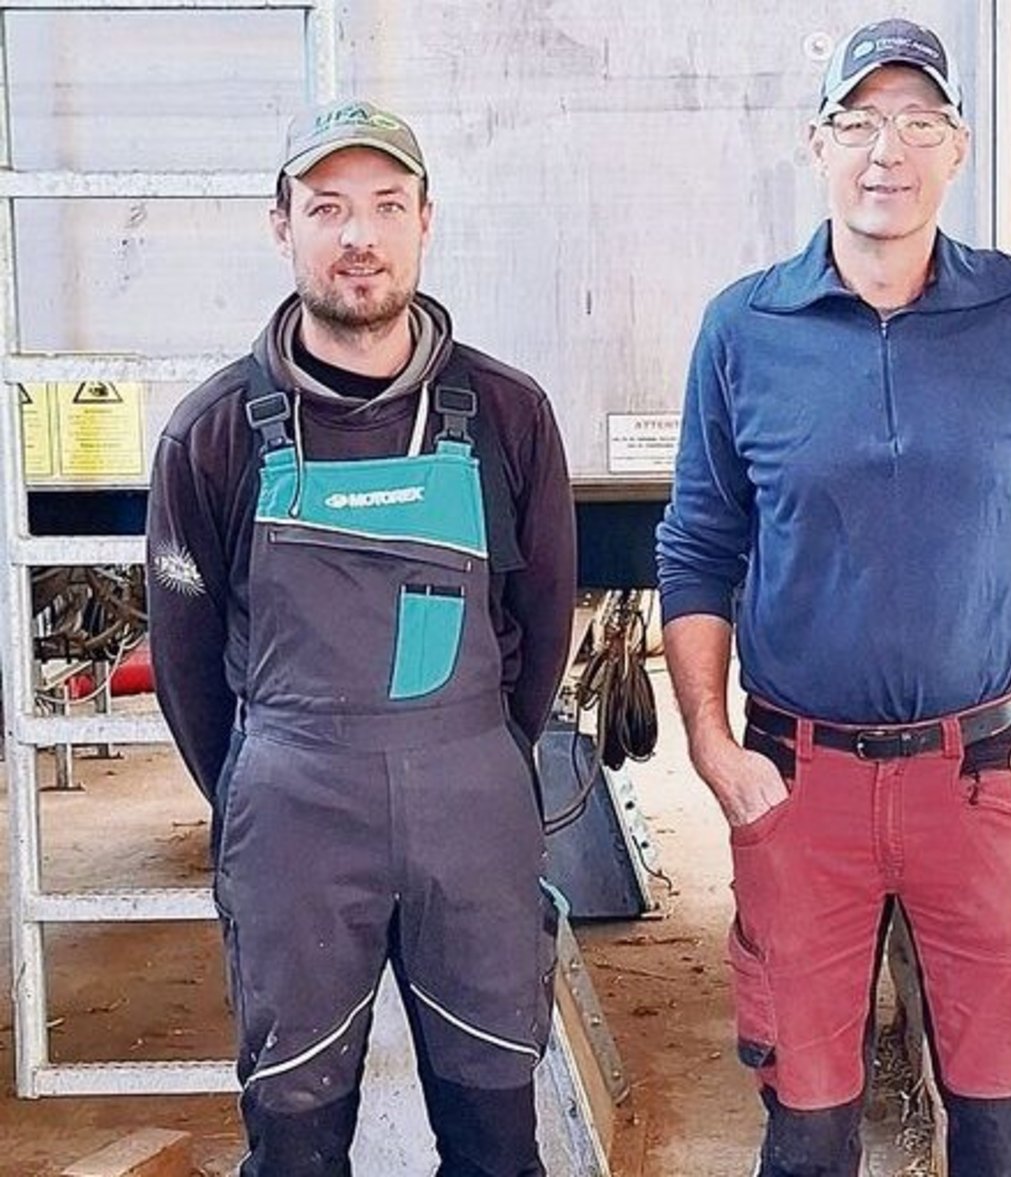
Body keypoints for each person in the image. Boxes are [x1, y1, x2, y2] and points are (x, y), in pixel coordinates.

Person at [656, 18, 1011, 1177]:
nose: (883, 151)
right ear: (816, 145)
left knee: (997, 1115)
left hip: (981, 780)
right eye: (857, 122)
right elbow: (696, 547)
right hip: (799, 790)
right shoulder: (743, 327)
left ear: (954, 149)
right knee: (804, 1121)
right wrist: (706, 741)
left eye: (914, 122)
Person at [146, 99, 576, 1176]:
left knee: (494, 1141)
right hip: (294, 821)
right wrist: (272, 774)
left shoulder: (507, 415)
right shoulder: (209, 434)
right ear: (280, 223)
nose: (358, 236)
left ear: (425, 220)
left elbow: (542, 624)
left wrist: (464, 748)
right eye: (327, 206)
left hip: (469, 813)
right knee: (294, 1147)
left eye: (386, 204)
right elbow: (189, 665)